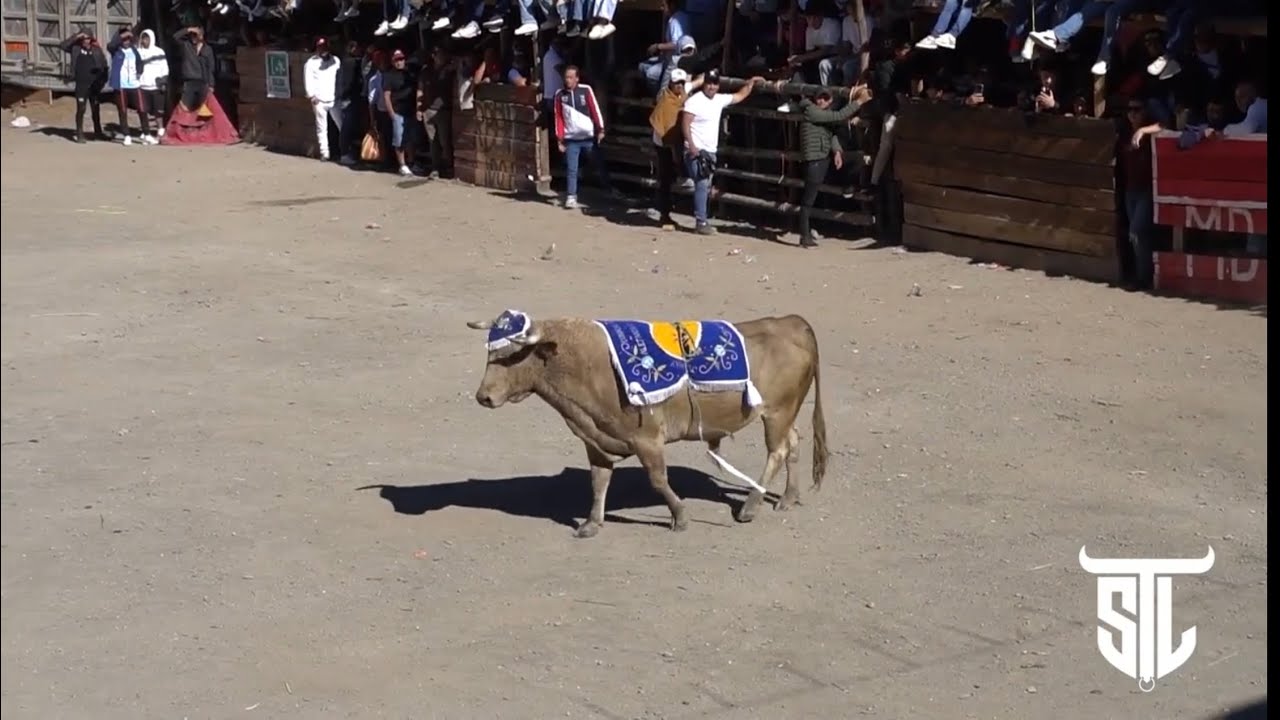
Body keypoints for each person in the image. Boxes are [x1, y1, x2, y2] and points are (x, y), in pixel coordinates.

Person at [680, 71, 762, 235]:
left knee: (705, 185)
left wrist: (750, 83)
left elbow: (739, 96)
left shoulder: (719, 100)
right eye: (709, 83)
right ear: (704, 84)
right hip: (697, 150)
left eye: (715, 84)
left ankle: (702, 218)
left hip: (710, 150)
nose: (712, 87)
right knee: (702, 184)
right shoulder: (694, 101)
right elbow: (685, 124)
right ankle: (701, 221)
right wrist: (692, 146)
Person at [797, 83, 870, 247]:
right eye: (820, 97)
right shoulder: (812, 111)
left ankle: (849, 187)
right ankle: (804, 235)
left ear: (830, 100)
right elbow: (838, 116)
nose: (822, 101)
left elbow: (831, 134)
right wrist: (859, 102)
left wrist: (837, 151)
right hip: (815, 160)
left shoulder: (821, 114)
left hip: (823, 158)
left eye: (826, 98)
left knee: (854, 159)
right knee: (808, 200)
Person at [553, 65, 617, 209]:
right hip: (571, 139)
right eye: (566, 77)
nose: (568, 80)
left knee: (599, 164)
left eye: (571, 77)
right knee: (572, 169)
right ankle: (571, 196)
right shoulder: (559, 95)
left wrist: (600, 129)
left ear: (577, 78)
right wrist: (560, 139)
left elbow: (595, 109)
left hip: (588, 138)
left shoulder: (586, 90)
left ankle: (608, 190)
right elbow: (559, 118)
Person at [648, 68, 704, 230]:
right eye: (676, 83)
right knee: (665, 177)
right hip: (663, 141)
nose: (679, 85)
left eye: (681, 83)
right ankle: (664, 214)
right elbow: (664, 127)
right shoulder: (664, 97)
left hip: (677, 140)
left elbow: (696, 82)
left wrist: (705, 74)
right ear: (670, 83)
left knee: (671, 175)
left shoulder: (684, 91)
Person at [107, 29, 153, 145]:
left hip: (134, 84)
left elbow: (140, 63)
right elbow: (111, 45)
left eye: (128, 39)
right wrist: (121, 35)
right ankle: (126, 135)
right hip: (121, 85)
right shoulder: (116, 51)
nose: (126, 41)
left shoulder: (134, 50)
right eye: (124, 39)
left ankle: (146, 134)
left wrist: (139, 72)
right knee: (122, 110)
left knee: (142, 108)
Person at [417, 45, 456, 179]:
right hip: (428, 110)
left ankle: (449, 167)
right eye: (439, 54)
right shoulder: (426, 71)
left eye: (443, 54)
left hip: (443, 110)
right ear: (433, 56)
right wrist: (419, 108)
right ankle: (436, 168)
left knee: (445, 141)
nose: (442, 57)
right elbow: (420, 90)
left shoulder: (449, 70)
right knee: (432, 141)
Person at [62, 31, 108, 143]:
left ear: (91, 39)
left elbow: (104, 66)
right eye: (83, 39)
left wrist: (102, 81)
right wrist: (76, 36)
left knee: (95, 109)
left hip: (94, 85)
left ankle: (98, 132)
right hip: (81, 85)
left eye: (87, 38)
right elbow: (63, 45)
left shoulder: (96, 50)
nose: (85, 41)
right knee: (81, 109)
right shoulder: (76, 49)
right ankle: (79, 133)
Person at [304, 37, 342, 162]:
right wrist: (312, 96)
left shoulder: (335, 60)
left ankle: (344, 150)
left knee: (341, 124)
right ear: (317, 48)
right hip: (319, 99)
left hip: (334, 98)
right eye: (320, 46)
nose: (323, 49)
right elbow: (308, 80)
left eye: (325, 46)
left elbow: (339, 77)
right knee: (322, 127)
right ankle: (325, 152)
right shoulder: (311, 63)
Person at [381, 49, 417, 176]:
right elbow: (386, 95)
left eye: (401, 59)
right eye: (396, 60)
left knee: (410, 138)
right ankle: (402, 165)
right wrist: (391, 113)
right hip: (397, 111)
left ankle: (411, 162)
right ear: (392, 61)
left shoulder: (409, 74)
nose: (399, 62)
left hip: (410, 110)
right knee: (399, 139)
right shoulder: (389, 75)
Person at [172, 26, 216, 113]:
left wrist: (211, 85)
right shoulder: (186, 45)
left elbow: (211, 68)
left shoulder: (207, 49)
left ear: (201, 36)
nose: (194, 38)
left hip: (203, 82)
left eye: (196, 35)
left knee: (203, 109)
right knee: (185, 108)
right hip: (189, 82)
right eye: (192, 35)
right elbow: (175, 37)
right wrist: (189, 29)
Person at [334, 40, 365, 165]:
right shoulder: (350, 62)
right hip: (348, 98)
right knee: (347, 127)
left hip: (346, 98)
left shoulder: (345, 61)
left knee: (349, 127)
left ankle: (348, 153)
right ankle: (345, 154)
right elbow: (350, 82)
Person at [136, 30, 168, 137]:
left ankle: (160, 130)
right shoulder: (138, 52)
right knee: (143, 110)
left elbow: (164, 68)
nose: (144, 41)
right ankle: (146, 132)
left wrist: (163, 81)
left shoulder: (159, 52)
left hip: (156, 86)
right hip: (142, 86)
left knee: (158, 112)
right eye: (143, 38)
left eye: (147, 38)